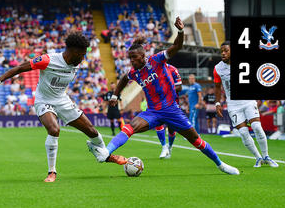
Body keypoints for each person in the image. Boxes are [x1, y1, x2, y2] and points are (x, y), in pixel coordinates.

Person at [87, 17, 240, 175]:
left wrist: (180, 31)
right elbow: (124, 78)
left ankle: (220, 164)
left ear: (143, 56)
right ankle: (105, 152)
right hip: (153, 112)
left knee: (196, 141)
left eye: (134, 58)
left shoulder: (156, 60)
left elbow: (177, 45)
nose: (131, 61)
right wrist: (115, 95)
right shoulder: (134, 72)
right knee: (130, 127)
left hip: (172, 110)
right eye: (129, 58)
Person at [0, 33, 126, 183]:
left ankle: (105, 155)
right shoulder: (48, 60)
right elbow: (20, 68)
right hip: (44, 100)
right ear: (74, 52)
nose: (83, 58)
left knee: (93, 132)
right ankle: (52, 172)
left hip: (62, 100)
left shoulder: (76, 63)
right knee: (54, 130)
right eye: (82, 54)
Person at [214, 41, 278, 168]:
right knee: (243, 132)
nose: (223, 53)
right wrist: (217, 103)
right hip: (233, 104)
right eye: (221, 51)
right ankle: (258, 158)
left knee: (257, 127)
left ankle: (266, 156)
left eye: (226, 50)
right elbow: (217, 86)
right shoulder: (217, 68)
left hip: (248, 100)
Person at [156, 64, 182, 159]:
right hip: (158, 102)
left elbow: (179, 88)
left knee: (171, 128)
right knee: (158, 123)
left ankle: (170, 147)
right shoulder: (153, 70)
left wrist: (166, 89)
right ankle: (164, 147)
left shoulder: (173, 69)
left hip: (172, 103)